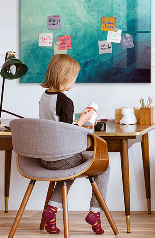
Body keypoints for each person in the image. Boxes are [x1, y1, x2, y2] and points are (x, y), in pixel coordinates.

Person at [39, 54, 109, 235]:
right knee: (104, 166)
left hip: (45, 158)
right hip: (62, 158)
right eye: (74, 77)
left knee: (69, 169)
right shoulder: (65, 101)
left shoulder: (44, 97)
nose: (74, 81)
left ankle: (51, 210)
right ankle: (95, 212)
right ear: (65, 77)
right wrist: (84, 120)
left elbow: (56, 126)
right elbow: (67, 133)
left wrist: (78, 122)